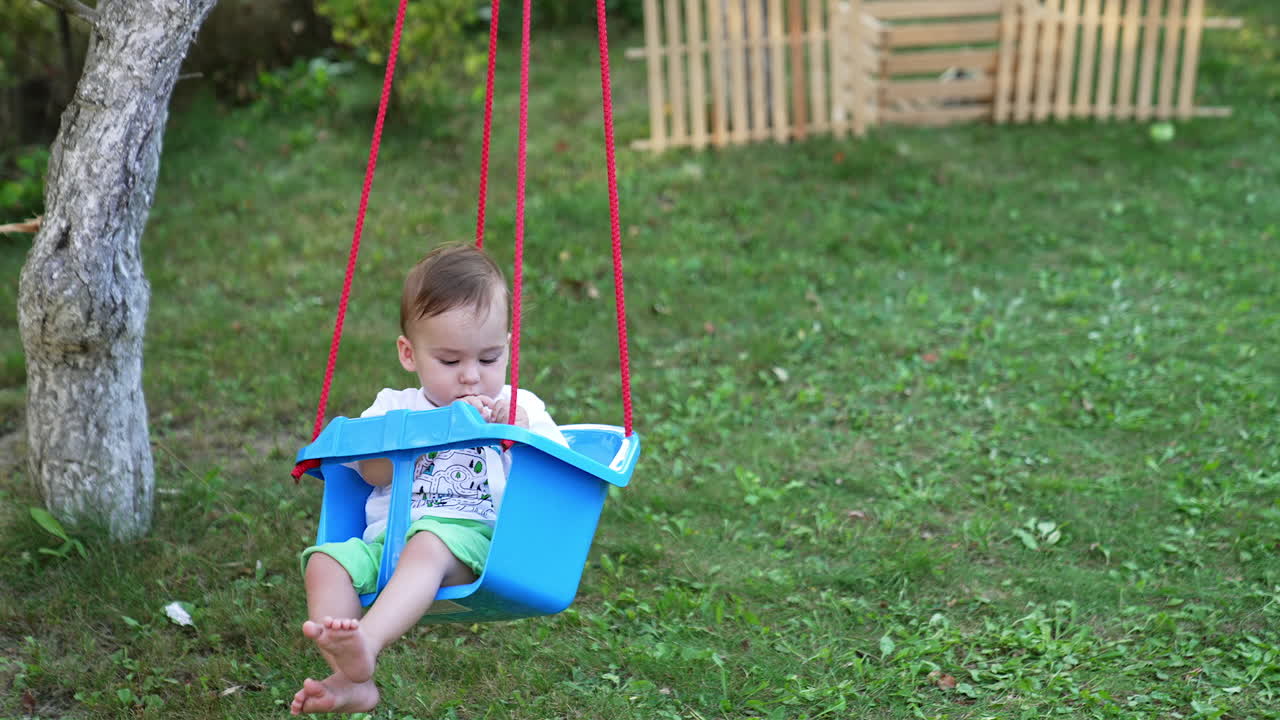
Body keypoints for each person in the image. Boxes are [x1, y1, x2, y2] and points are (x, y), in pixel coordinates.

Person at [291, 243, 567, 715]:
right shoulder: (394, 408)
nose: (470, 378)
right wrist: (443, 429)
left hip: (470, 543)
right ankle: (350, 676)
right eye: (450, 360)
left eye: (488, 359)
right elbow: (372, 470)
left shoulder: (522, 408)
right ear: (409, 354)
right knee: (323, 563)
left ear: (508, 348)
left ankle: (366, 645)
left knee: (429, 542)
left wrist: (519, 434)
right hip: (384, 549)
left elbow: (556, 480)